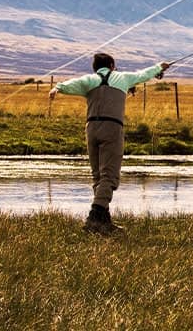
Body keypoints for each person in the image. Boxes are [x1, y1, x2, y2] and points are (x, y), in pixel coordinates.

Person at [49, 53, 170, 234]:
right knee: (110, 176)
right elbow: (143, 74)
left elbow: (71, 84)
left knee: (97, 176)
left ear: (95, 67)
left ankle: (104, 224)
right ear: (112, 65)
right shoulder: (122, 78)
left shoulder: (89, 80)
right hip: (112, 128)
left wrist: (57, 88)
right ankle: (94, 216)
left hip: (91, 129)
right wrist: (160, 67)